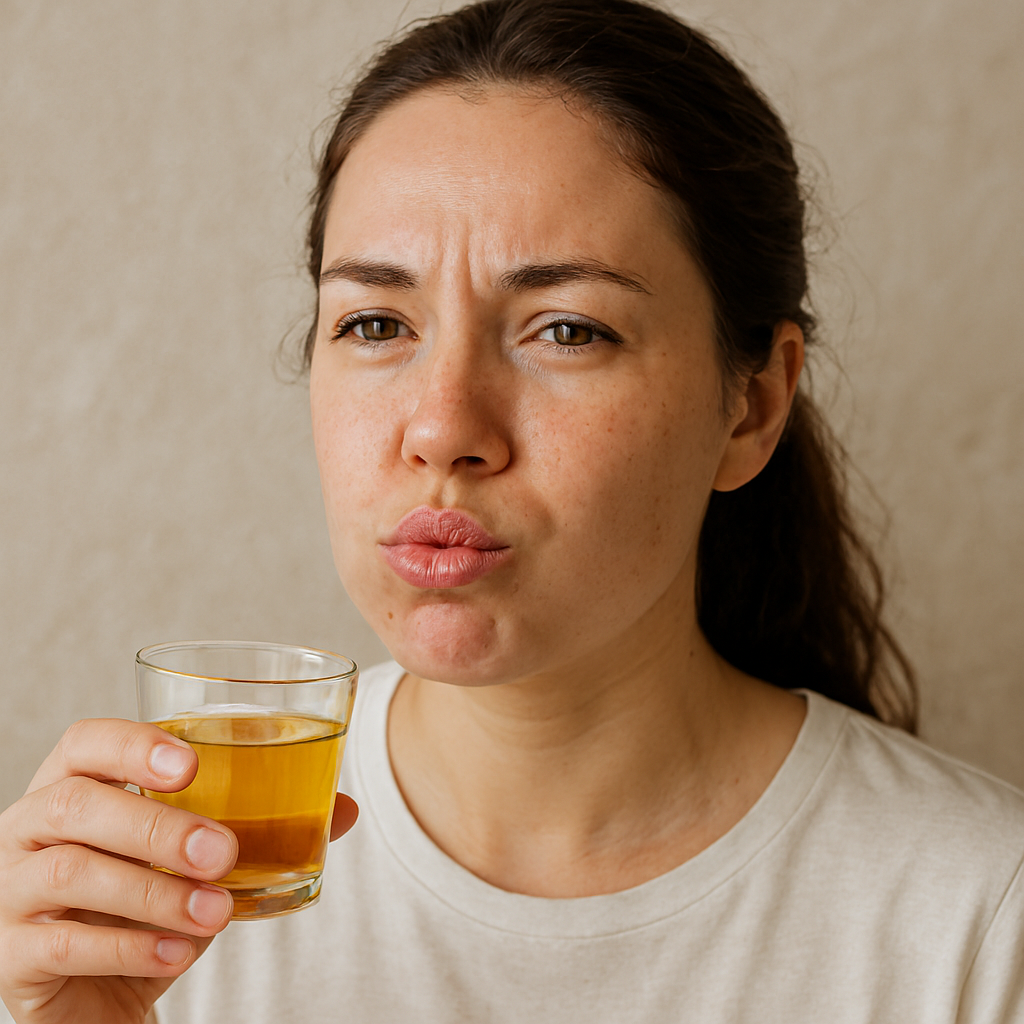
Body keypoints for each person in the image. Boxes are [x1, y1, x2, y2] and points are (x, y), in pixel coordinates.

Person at [2, 0, 1022, 1021]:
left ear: (750, 406)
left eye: (566, 330)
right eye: (374, 322)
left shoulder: (976, 921)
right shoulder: (147, 907)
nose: (443, 427)